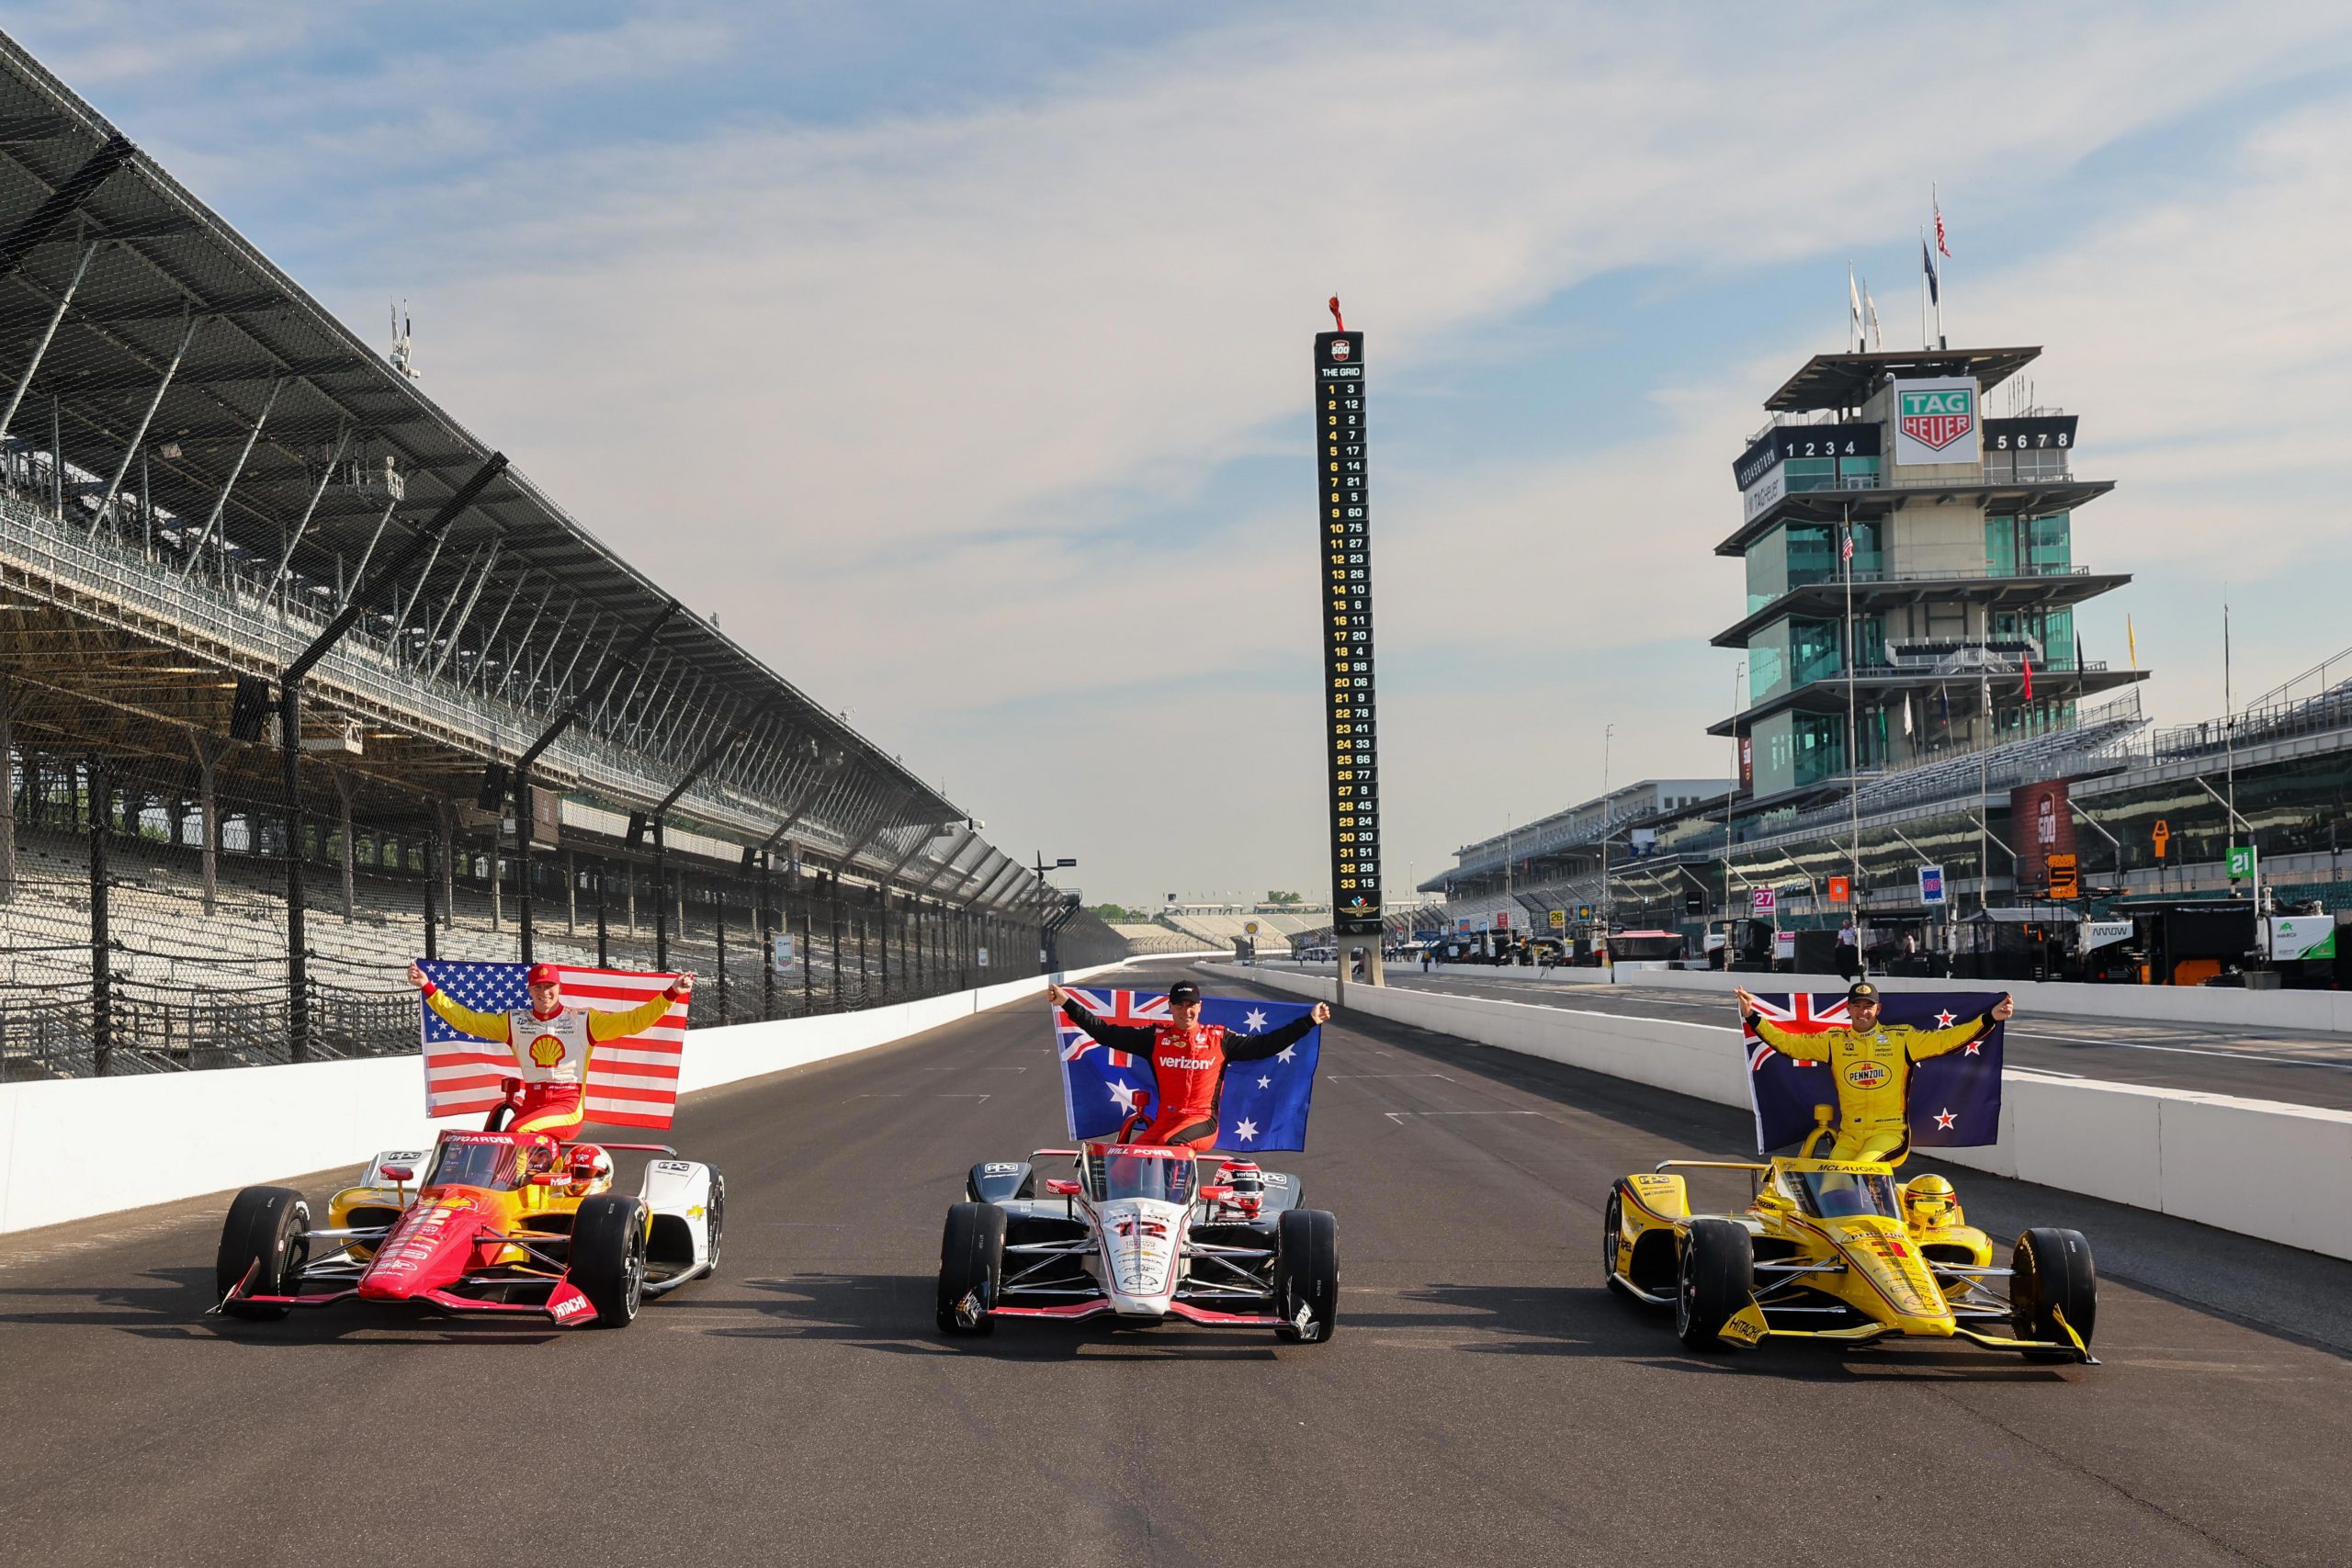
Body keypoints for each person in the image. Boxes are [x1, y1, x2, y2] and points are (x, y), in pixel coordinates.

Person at [409, 960, 693, 1143]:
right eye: (539, 987)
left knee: (517, 1133)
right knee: (495, 1144)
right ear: (530, 990)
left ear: (559, 988)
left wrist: (671, 994)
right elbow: (465, 1020)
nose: (545, 992)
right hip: (531, 1103)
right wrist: (428, 988)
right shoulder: (513, 1021)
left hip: (568, 1105)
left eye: (550, 986)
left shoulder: (584, 1020)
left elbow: (633, 1021)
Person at [1732, 979, 2013, 1161]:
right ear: (1848, 1009)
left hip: (1889, 1134)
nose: (1862, 1011)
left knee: (1862, 1173)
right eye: (1857, 1006)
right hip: (1849, 1136)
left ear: (1878, 1009)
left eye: (1868, 1006)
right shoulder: (1834, 1041)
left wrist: (1989, 1018)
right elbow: (1788, 1044)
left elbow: (1948, 1039)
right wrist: (1752, 1016)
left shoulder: (1901, 1038)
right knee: (1830, 1186)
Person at [1046, 979, 1330, 1149]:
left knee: (1171, 1147)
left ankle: (1178, 1214)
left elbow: (1267, 1045)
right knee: (1129, 1160)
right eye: (1180, 1005)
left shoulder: (1220, 1038)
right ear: (1170, 1008)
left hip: (1202, 1122)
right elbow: (1103, 1032)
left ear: (1200, 1007)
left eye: (1191, 1004)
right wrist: (1066, 1003)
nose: (1186, 1010)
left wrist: (1309, 1021)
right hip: (1166, 1121)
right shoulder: (1154, 1038)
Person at [1834, 920, 1860, 984]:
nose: (1846, 926)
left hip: (1852, 945)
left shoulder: (1852, 930)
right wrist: (1836, 946)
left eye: (1847, 925)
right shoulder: (1841, 931)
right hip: (1846, 946)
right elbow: (1839, 940)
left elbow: (1856, 936)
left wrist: (1855, 942)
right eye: (1845, 925)